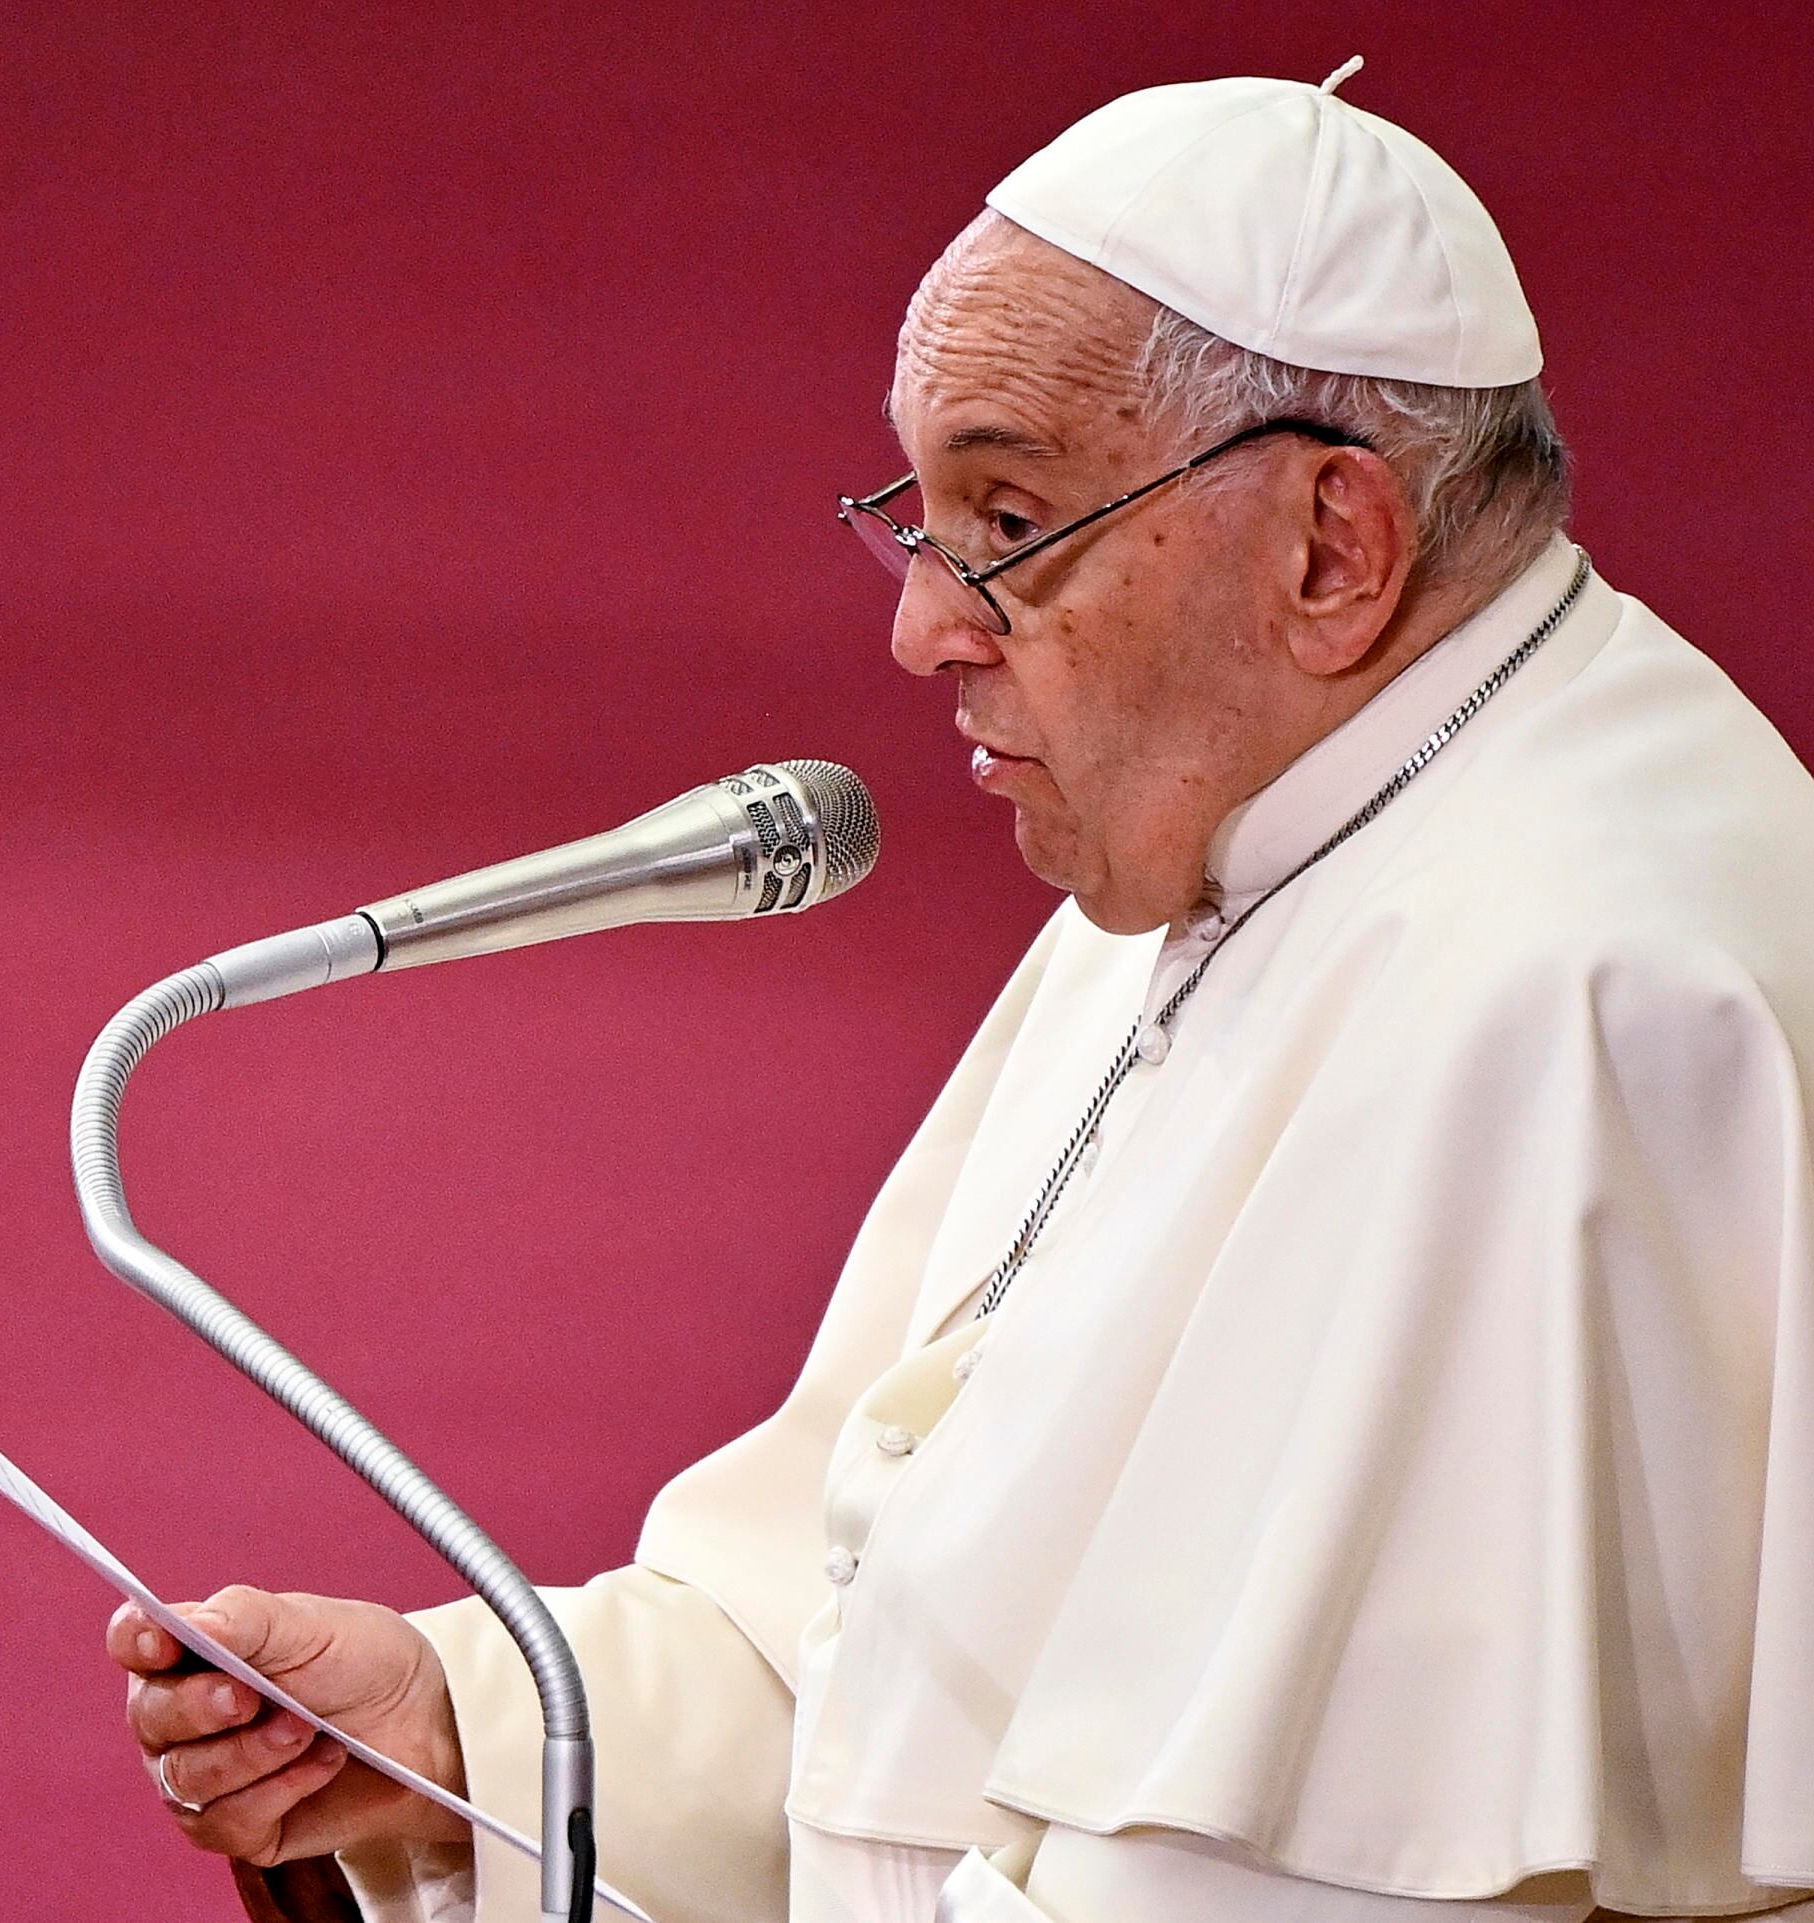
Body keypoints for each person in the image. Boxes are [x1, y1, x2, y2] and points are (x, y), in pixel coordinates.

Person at [107, 64, 1814, 1923]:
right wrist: (475, 1730)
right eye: (914, 521)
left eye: (1006, 521)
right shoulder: (1238, 818)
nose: (923, 625)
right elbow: (884, 1646)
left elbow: (1297, 1879)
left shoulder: (1561, 1001)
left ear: (1333, 545)